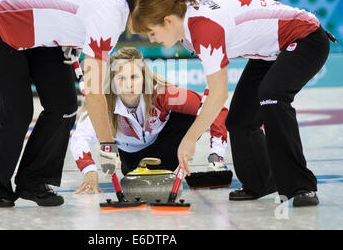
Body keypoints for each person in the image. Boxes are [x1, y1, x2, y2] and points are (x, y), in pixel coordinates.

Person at [0, 0, 180, 207]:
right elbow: (94, 96)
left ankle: (33, 180)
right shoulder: (109, 19)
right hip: (3, 19)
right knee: (17, 113)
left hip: (41, 31)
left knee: (64, 106)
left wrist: (73, 36)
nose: (150, 31)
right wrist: (107, 145)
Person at [131, 0, 331, 207]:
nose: (152, 39)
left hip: (304, 38)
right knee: (239, 120)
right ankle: (261, 182)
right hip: (270, 51)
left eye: (151, 32)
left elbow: (218, 94)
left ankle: (302, 186)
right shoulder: (187, 6)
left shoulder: (204, 29)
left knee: (272, 95)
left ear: (168, 20)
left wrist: (188, 140)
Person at [69, 47, 229, 194]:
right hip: (131, 161)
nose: (128, 85)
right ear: (112, 81)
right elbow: (80, 138)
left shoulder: (163, 95)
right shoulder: (102, 103)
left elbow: (216, 109)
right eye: (121, 78)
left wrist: (216, 155)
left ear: (144, 78)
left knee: (192, 114)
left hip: (168, 150)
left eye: (134, 77)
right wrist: (89, 171)